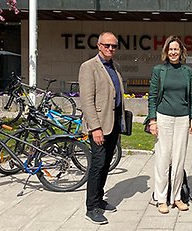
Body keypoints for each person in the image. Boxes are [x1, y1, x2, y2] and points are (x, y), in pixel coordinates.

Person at [144, 35, 192, 214]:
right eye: (170, 49)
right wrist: (152, 120)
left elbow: (191, 97)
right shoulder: (159, 70)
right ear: (166, 51)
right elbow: (152, 96)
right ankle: (161, 199)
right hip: (163, 117)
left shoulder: (187, 71)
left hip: (182, 119)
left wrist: (191, 118)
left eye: (176, 49)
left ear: (181, 51)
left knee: (179, 159)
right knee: (163, 159)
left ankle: (177, 197)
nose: (173, 52)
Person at [79, 32, 125, 225]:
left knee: (106, 163)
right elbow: (87, 101)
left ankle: (99, 199)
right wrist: (95, 128)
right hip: (99, 125)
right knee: (97, 165)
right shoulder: (89, 67)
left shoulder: (113, 66)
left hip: (112, 123)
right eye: (107, 45)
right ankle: (91, 207)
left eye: (114, 46)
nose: (110, 49)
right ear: (99, 45)